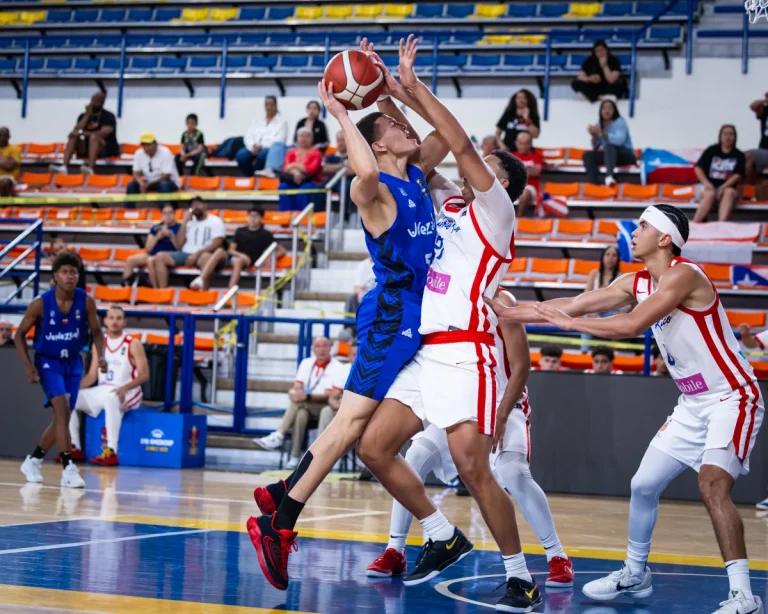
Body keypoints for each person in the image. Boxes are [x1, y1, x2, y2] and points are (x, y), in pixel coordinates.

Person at [246, 36, 449, 592]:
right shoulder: (375, 188)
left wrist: (388, 90)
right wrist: (341, 109)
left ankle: (282, 496)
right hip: (389, 317)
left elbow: (435, 135)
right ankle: (280, 522)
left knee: (352, 426)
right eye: (393, 129)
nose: (404, 128)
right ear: (376, 147)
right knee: (349, 425)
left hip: (411, 319)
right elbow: (362, 163)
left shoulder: (413, 173)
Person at [489, 203, 764, 614]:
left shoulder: (685, 275)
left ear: (665, 238)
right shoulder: (635, 281)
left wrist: (569, 324)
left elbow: (631, 325)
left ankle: (744, 596)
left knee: (712, 485)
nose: (633, 232)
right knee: (642, 485)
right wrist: (505, 311)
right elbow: (578, 303)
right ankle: (635, 573)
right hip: (692, 403)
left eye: (642, 226)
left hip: (731, 396)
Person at [353, 36, 537, 610]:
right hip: (424, 351)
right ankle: (440, 533)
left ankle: (519, 575)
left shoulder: (496, 214)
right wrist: (385, 91)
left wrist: (416, 86)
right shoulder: (444, 201)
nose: (471, 166)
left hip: (467, 352)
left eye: (487, 166)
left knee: (473, 469)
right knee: (374, 448)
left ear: (501, 182)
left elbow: (452, 140)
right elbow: (417, 147)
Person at [364, 291, 574, 592]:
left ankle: (556, 556)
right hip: (460, 402)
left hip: (503, 402)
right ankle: (395, 550)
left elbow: (520, 367)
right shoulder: (441, 299)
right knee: (415, 456)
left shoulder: (502, 300)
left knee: (513, 472)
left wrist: (500, 416)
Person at [15, 251, 106, 488]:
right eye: (65, 272)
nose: (69, 276)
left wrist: (102, 357)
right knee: (63, 411)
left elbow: (97, 332)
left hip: (73, 363)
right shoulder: (40, 304)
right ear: (55, 275)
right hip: (48, 362)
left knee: (61, 418)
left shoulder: (85, 300)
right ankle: (69, 468)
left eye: (74, 272)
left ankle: (33, 459)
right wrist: (28, 366)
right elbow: (19, 335)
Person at [70, 305, 148, 466]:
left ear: (124, 322)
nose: (114, 321)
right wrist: (73, 387)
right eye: (111, 318)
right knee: (68, 398)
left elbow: (144, 375)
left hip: (129, 390)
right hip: (104, 389)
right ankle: (74, 447)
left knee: (112, 398)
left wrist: (125, 388)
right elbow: (92, 376)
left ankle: (111, 450)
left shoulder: (133, 343)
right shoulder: (99, 343)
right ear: (105, 321)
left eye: (119, 318)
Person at [252, 337, 343, 469]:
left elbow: (333, 395)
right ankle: (295, 457)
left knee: (304, 405)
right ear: (313, 349)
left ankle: (279, 435)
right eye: (318, 346)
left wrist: (307, 396)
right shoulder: (306, 363)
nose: (321, 349)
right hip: (306, 405)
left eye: (325, 346)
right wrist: (294, 393)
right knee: (300, 414)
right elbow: (297, 386)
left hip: (327, 407)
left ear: (331, 348)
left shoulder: (338, 367)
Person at [193, 205, 286, 291]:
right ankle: (200, 280)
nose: (252, 219)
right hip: (234, 257)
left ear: (261, 218)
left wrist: (267, 257)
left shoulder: (265, 234)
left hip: (248, 261)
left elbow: (282, 250)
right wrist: (241, 255)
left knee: (238, 261)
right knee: (215, 253)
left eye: (256, 216)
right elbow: (231, 249)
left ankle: (229, 293)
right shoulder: (240, 231)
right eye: (250, 216)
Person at [148, 198, 224, 289]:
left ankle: (203, 294)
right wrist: (184, 223)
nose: (195, 207)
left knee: (205, 258)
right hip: (186, 253)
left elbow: (217, 244)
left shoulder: (215, 221)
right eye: (193, 205)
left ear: (205, 206)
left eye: (198, 204)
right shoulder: (189, 223)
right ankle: (162, 292)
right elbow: (179, 245)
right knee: (160, 256)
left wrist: (196, 254)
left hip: (203, 253)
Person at [50, 92, 120, 175]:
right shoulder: (83, 116)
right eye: (92, 100)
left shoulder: (108, 116)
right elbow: (76, 130)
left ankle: (90, 168)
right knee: (73, 135)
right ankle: (64, 167)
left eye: (96, 101)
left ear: (102, 102)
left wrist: (83, 133)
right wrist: (87, 114)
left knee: (94, 137)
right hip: (86, 147)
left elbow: (103, 132)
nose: (93, 103)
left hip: (104, 149)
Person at [694, 125, 747, 223]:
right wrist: (707, 184)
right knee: (710, 193)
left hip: (727, 189)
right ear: (720, 136)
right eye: (725, 134)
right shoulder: (711, 150)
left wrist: (722, 187)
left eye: (731, 134)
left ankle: (721, 225)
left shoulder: (739, 155)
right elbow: (698, 168)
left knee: (729, 192)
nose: (728, 137)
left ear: (735, 137)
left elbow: (738, 175)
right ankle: (695, 224)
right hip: (708, 188)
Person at [121, 204, 181, 286]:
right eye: (165, 213)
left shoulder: (179, 227)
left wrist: (170, 235)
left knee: (151, 261)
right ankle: (126, 287)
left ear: (174, 214)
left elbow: (179, 247)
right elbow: (148, 249)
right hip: (152, 254)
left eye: (170, 213)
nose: (167, 216)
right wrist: (157, 237)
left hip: (168, 256)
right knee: (130, 260)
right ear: (161, 215)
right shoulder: (156, 228)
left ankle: (156, 290)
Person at [584, 99, 635, 187]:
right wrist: (594, 136)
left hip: (625, 154)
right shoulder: (599, 123)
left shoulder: (620, 121)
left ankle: (609, 176)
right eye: (604, 108)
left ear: (614, 111)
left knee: (609, 147)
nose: (606, 111)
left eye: (610, 108)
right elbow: (595, 146)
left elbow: (619, 141)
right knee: (588, 155)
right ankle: (594, 184)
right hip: (609, 155)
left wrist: (602, 133)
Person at [235, 96, 288, 177]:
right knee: (240, 155)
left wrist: (261, 147)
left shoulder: (282, 123)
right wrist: (252, 146)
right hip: (253, 148)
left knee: (262, 155)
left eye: (271, 105)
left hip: (268, 149)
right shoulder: (257, 121)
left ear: (276, 106)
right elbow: (248, 136)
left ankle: (258, 175)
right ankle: (250, 176)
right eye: (267, 105)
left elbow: (279, 141)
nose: (269, 107)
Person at [277, 127, 325, 212]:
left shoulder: (316, 153)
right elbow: (286, 168)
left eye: (306, 136)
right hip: (292, 180)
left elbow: (311, 169)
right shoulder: (290, 152)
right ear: (297, 137)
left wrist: (294, 165)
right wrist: (296, 172)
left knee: (305, 189)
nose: (303, 139)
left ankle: (302, 218)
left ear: (311, 138)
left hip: (310, 181)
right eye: (301, 136)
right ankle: (285, 217)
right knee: (283, 187)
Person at [126, 132, 181, 197]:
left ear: (155, 144)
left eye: (149, 145)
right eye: (144, 145)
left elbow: (166, 176)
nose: (147, 148)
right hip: (148, 182)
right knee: (131, 185)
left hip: (168, 182)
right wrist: (141, 183)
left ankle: (167, 206)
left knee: (164, 184)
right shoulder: (139, 153)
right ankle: (129, 207)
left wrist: (148, 184)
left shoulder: (165, 152)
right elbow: (136, 173)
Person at [320, 342, 357, 437]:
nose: (357, 358)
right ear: (348, 356)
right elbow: (333, 396)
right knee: (326, 411)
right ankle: (323, 450)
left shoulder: (371, 372)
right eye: (354, 355)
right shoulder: (343, 370)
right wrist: (334, 403)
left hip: (361, 409)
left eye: (360, 355)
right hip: (343, 408)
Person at [511, 132, 543, 218]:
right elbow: (507, 173)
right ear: (516, 143)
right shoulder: (510, 156)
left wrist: (517, 170)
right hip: (512, 186)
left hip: (530, 187)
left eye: (526, 143)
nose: (523, 146)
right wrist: (528, 170)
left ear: (530, 144)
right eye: (520, 143)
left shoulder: (537, 156)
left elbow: (536, 172)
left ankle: (518, 219)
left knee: (524, 194)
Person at [322, 131, 354, 215]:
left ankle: (345, 217)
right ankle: (320, 217)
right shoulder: (330, 156)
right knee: (317, 188)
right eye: (338, 140)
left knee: (345, 188)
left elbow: (351, 171)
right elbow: (325, 169)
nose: (340, 143)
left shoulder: (353, 156)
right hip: (331, 182)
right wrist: (342, 166)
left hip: (347, 182)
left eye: (343, 140)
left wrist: (333, 168)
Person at [745, 92, 768, 189]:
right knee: (744, 157)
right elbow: (753, 106)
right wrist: (764, 101)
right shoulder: (766, 111)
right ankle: (750, 190)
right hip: (764, 150)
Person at [344, 256, 375, 324]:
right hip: (365, 295)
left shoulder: (385, 265)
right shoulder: (363, 265)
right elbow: (357, 287)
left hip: (379, 296)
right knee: (352, 299)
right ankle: (349, 327)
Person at [0, 126, 21, 197]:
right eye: (0, 135)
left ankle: (4, 207)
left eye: (4, 136)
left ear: (8, 137)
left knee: (4, 182)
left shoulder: (15, 149)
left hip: (8, 177)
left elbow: (10, 166)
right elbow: (6, 164)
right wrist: (5, 160)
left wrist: (5, 163)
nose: (1, 138)